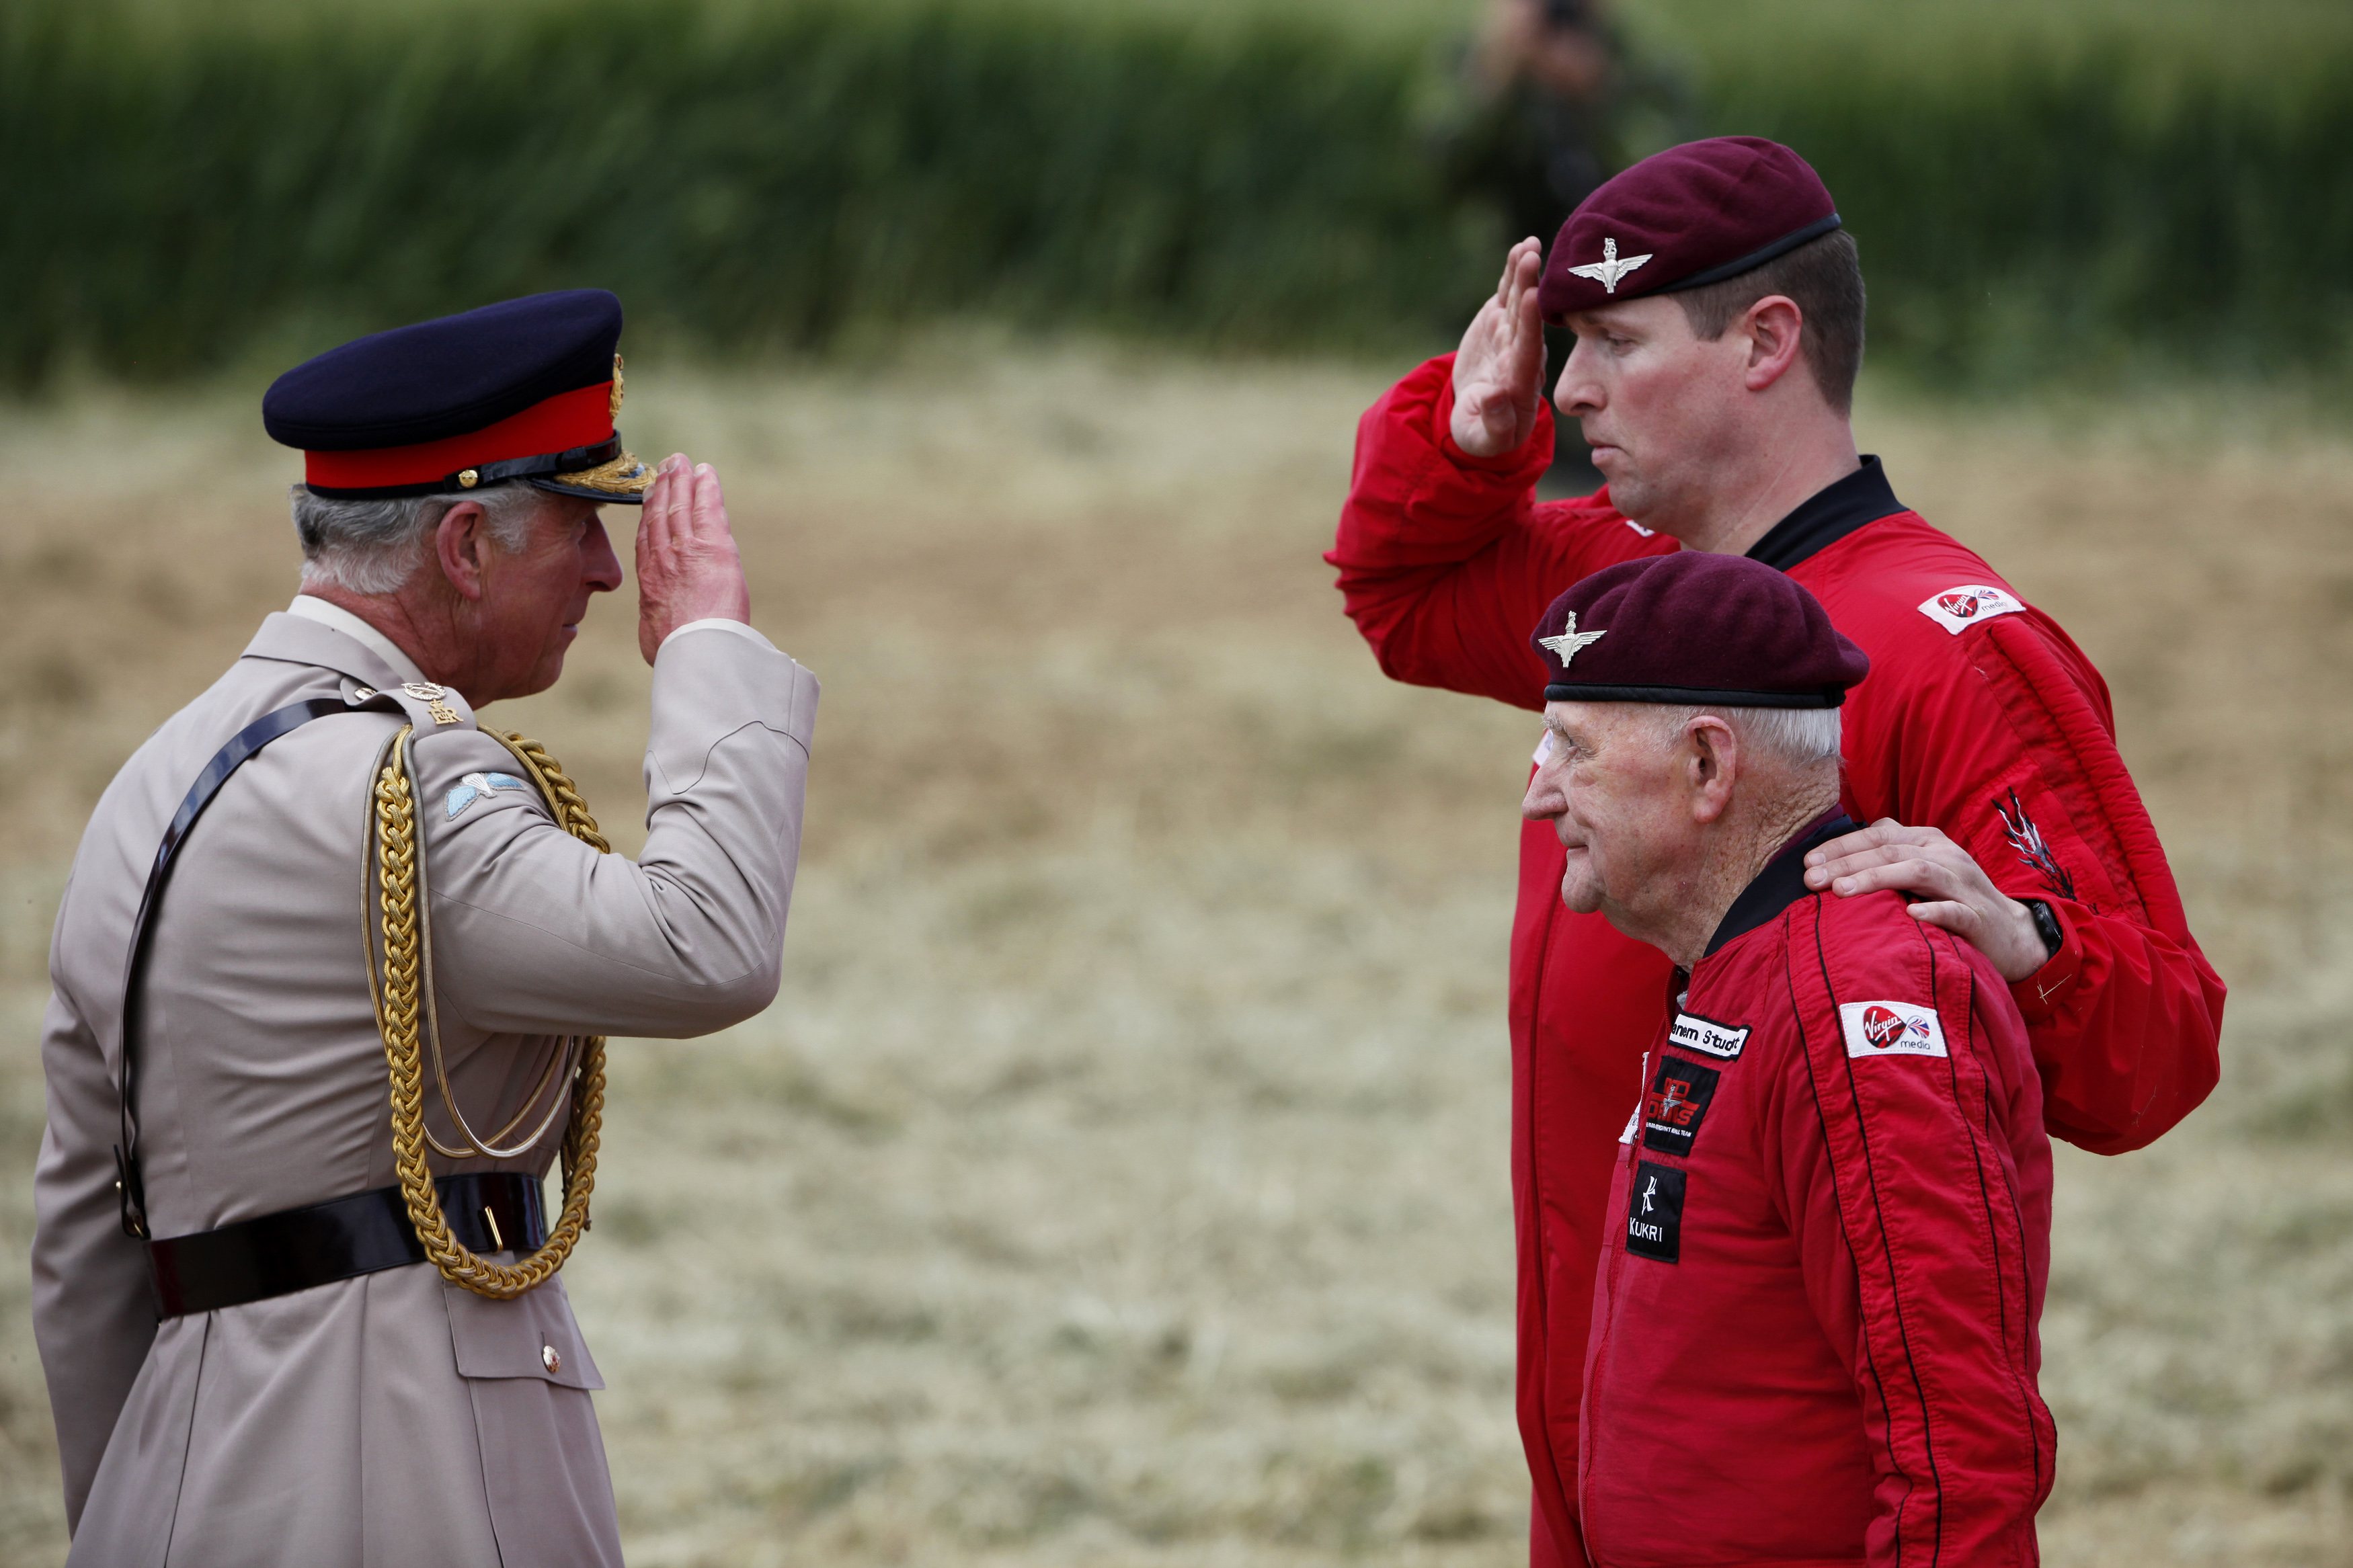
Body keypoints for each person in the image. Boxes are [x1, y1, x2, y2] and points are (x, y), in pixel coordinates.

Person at [1326, 136, 2221, 1565]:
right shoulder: (1627, 585)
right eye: (1567, 347)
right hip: (1612, 1432)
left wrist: (2029, 948)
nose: (1569, 389)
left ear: (1765, 342)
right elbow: (1406, 599)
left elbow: (2157, 1051)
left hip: (1779, 1460)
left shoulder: (1951, 656)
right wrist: (1462, 443)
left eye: (1613, 340)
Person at [31, 289, 818, 1567]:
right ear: (464, 545)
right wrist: (710, 641)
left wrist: (142, 1507)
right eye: (579, 525)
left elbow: (82, 1249)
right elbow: (709, 942)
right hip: (409, 1476)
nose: (610, 572)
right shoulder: (416, 788)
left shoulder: (150, 783)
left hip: (179, 1478)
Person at [1523, 550, 2052, 1565]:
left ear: (1710, 767)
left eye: (1573, 749)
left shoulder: (1854, 1003)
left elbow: (1961, 1453)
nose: (1540, 793)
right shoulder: (1747, 972)